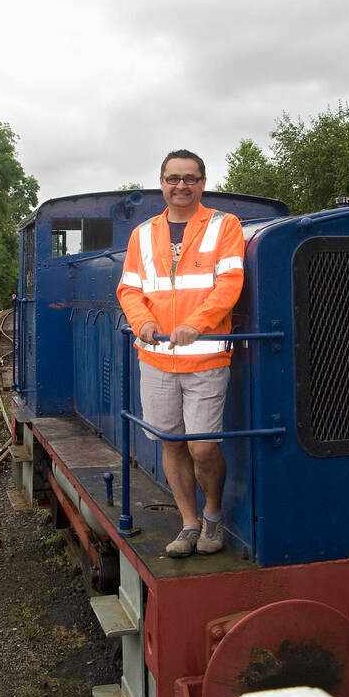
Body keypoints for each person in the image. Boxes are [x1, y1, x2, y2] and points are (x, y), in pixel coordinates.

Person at [117, 149, 245, 557]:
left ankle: (212, 515)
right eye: (173, 178)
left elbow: (229, 283)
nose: (181, 186)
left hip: (204, 356)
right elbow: (130, 289)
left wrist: (198, 323)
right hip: (155, 358)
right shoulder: (142, 233)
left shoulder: (224, 225)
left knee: (203, 446)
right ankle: (188, 523)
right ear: (162, 183)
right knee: (171, 442)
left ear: (203, 183)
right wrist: (143, 324)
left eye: (190, 178)